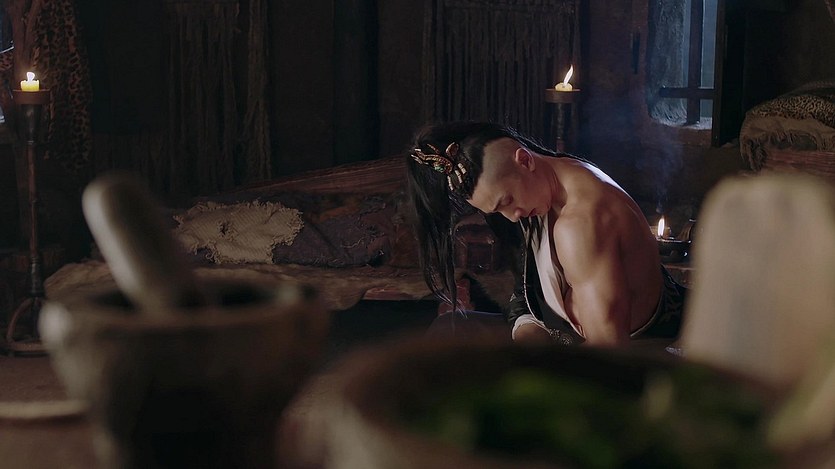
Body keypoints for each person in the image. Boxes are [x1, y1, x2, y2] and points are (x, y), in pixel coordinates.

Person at [407, 122, 686, 346]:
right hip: (555, 334)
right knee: (449, 328)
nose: (511, 215)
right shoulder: (552, 182)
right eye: (497, 210)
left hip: (630, 348)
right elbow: (527, 287)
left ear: (524, 160)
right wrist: (527, 328)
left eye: (506, 201)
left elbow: (608, 350)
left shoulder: (581, 223)